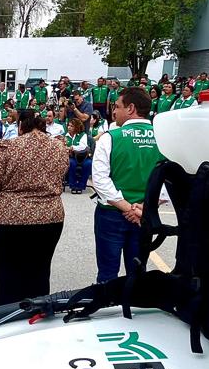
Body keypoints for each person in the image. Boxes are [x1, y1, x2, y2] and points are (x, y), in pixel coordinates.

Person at [0, 109, 69, 305]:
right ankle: (37, 315)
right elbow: (61, 175)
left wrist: (5, 199)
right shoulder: (59, 148)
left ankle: (8, 319)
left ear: (21, 127)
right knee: (40, 270)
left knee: (8, 272)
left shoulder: (9, 147)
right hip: (49, 216)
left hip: (10, 217)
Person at [92, 87, 162, 283]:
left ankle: (107, 310)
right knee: (139, 274)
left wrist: (126, 206)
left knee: (107, 275)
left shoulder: (110, 137)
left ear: (130, 108)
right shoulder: (163, 138)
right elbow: (170, 178)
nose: (114, 111)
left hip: (111, 214)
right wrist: (144, 208)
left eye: (117, 107)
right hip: (144, 215)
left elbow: (100, 180)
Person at [65, 117, 92, 194]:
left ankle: (81, 186)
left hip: (83, 157)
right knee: (71, 163)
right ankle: (73, 185)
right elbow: (62, 147)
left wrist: (72, 147)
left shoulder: (83, 135)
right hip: (71, 157)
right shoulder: (65, 136)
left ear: (77, 127)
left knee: (88, 163)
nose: (69, 127)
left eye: (72, 126)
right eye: (68, 125)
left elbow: (83, 146)